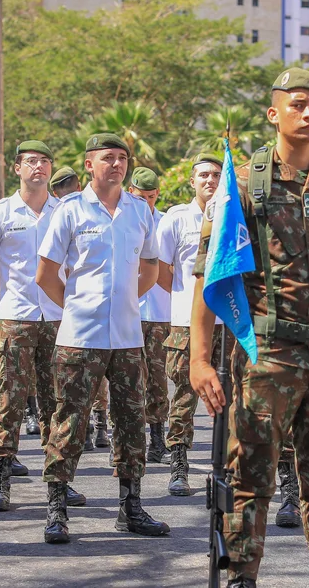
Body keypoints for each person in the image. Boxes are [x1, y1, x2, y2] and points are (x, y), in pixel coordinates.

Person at [189, 68, 309, 588]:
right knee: (251, 478)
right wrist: (199, 358)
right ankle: (241, 576)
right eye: (298, 104)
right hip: (266, 353)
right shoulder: (243, 184)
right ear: (274, 113)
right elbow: (212, 276)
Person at [36, 133, 169, 543]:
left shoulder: (139, 212)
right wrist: (78, 305)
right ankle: (57, 509)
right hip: (80, 336)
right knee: (69, 422)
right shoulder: (70, 210)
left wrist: (125, 299)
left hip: (128, 337)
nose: (116, 164)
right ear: (89, 164)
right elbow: (45, 274)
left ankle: (131, 507)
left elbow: (150, 269)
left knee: (131, 422)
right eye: (107, 158)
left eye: (122, 158)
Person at [0, 140, 90, 511]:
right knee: (9, 402)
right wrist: (9, 293)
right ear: (17, 168)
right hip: (15, 320)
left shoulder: (67, 211)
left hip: (58, 318)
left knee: (58, 403)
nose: (38, 167)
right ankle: (1, 481)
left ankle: (59, 480)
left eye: (44, 161)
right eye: (31, 162)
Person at [159, 153, 222, 496]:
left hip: (228, 322)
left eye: (215, 175)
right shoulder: (176, 219)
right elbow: (160, 271)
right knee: (184, 396)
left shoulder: (234, 216)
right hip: (188, 323)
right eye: (203, 176)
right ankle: (179, 464)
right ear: (192, 181)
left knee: (237, 396)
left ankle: (233, 464)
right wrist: (185, 299)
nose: (209, 181)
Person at [131, 167, 171, 464]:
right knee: (127, 380)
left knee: (157, 379)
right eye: (140, 196)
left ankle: (158, 439)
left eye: (151, 196)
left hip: (158, 312)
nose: (146, 202)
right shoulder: (121, 220)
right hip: (127, 313)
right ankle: (128, 439)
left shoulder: (165, 223)